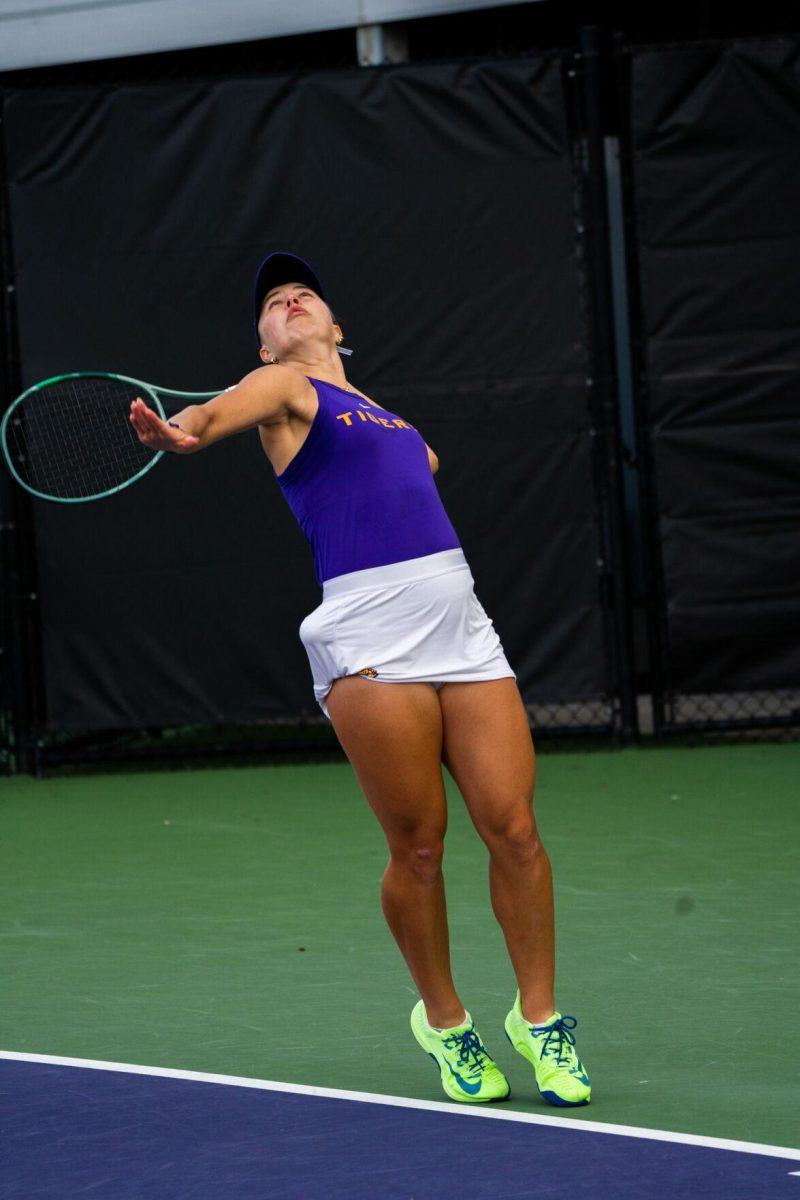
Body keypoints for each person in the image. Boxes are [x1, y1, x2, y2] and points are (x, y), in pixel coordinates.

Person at [129, 251, 591, 1107]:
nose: (290, 299)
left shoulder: (393, 422)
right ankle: (447, 1025)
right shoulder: (283, 390)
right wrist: (183, 428)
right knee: (419, 846)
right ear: (268, 346)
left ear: (338, 326)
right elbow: (214, 413)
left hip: (463, 630)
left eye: (303, 292)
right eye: (272, 303)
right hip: (370, 634)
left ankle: (541, 1019)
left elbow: (419, 474)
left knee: (516, 830)